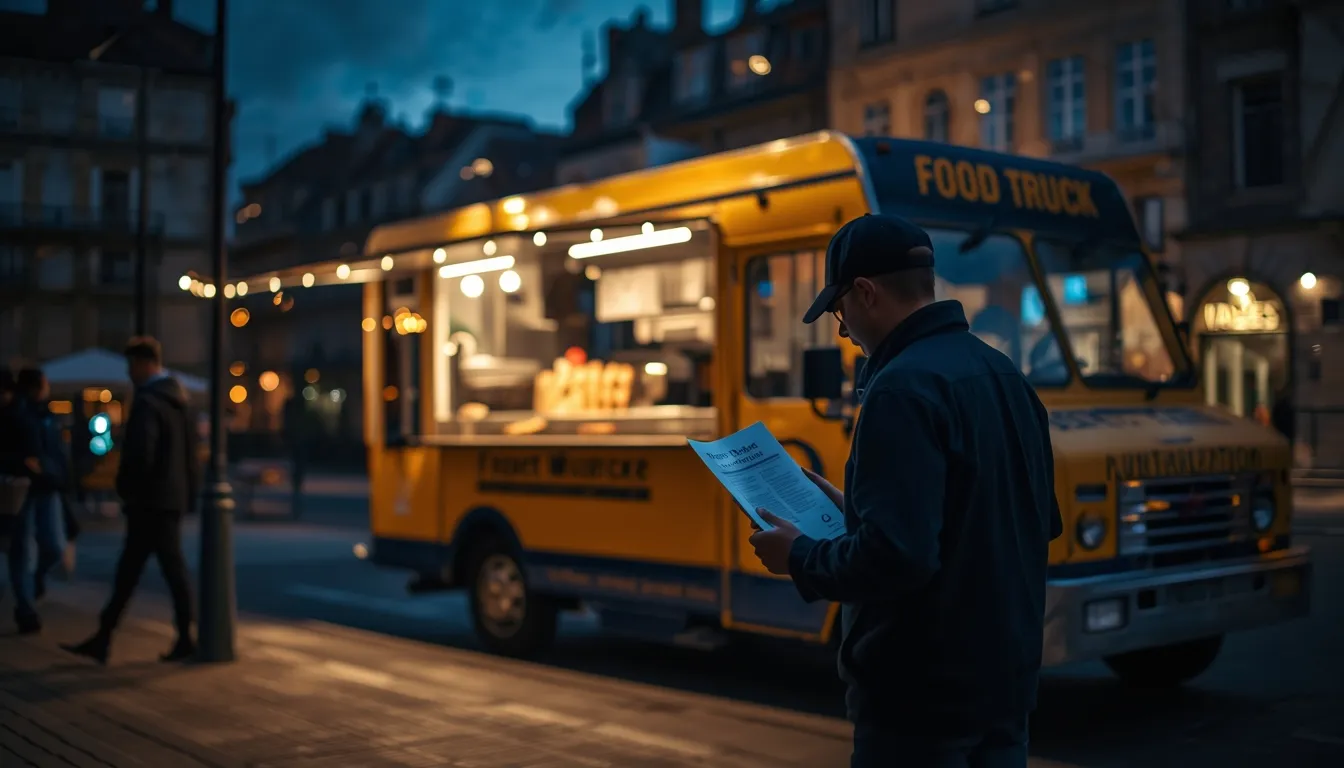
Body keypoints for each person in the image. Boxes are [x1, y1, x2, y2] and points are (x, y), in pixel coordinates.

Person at [747, 214, 1063, 767]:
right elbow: (1027, 520)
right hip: (1006, 685)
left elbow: (898, 559)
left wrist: (798, 555)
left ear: (865, 293)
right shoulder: (1003, 375)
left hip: (921, 701)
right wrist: (862, 514)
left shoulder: (900, 389)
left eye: (840, 312)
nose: (843, 331)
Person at [63, 337, 199, 664]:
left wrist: (127, 488)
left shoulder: (149, 402)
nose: (129, 373)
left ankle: (177, 637)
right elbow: (190, 454)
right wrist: (188, 493)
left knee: (152, 570)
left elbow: (141, 455)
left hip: (149, 501)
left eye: (131, 366)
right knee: (146, 570)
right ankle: (108, 637)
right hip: (168, 499)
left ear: (142, 363)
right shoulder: (179, 400)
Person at [5, 368, 69, 634]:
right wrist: (25, 464)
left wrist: (58, 475)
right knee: (21, 550)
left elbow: (54, 452)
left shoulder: (45, 414)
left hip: (47, 487)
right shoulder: (18, 413)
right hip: (23, 488)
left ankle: (35, 583)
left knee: (53, 546)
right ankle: (25, 607)